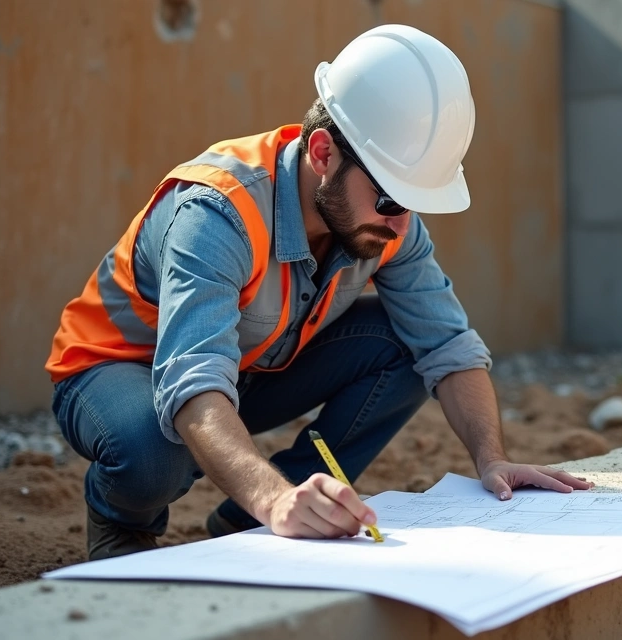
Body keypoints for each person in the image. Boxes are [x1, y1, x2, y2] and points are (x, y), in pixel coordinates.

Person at [45, 24, 592, 561]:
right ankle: (123, 523)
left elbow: (447, 345)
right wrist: (273, 499)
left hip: (244, 370)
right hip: (115, 369)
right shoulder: (218, 212)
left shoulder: (387, 224)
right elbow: (191, 381)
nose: (401, 226)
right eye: (389, 200)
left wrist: (491, 460)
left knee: (405, 346)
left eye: (413, 203)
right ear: (325, 153)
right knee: (152, 450)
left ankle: (248, 521)